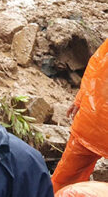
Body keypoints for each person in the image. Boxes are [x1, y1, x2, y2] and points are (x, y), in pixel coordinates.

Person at [51, 38, 108, 193]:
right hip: (94, 118)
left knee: (65, 178)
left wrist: (81, 98)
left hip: (92, 118)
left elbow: (96, 64)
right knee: (66, 177)